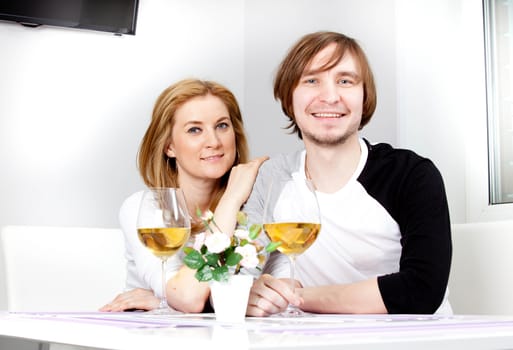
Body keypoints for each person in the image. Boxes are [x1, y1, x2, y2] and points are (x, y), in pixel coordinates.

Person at [244, 31, 452, 316]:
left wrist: (298, 298)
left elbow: (421, 290)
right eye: (312, 80)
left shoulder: (411, 175)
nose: (330, 97)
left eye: (345, 81)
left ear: (364, 95)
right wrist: (252, 294)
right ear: (288, 97)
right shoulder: (273, 177)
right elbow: (238, 274)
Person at [100, 78, 267, 313]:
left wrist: (162, 302)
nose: (214, 141)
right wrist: (229, 201)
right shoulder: (143, 209)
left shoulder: (255, 205)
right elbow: (188, 298)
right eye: (195, 130)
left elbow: (272, 294)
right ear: (169, 146)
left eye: (222, 125)